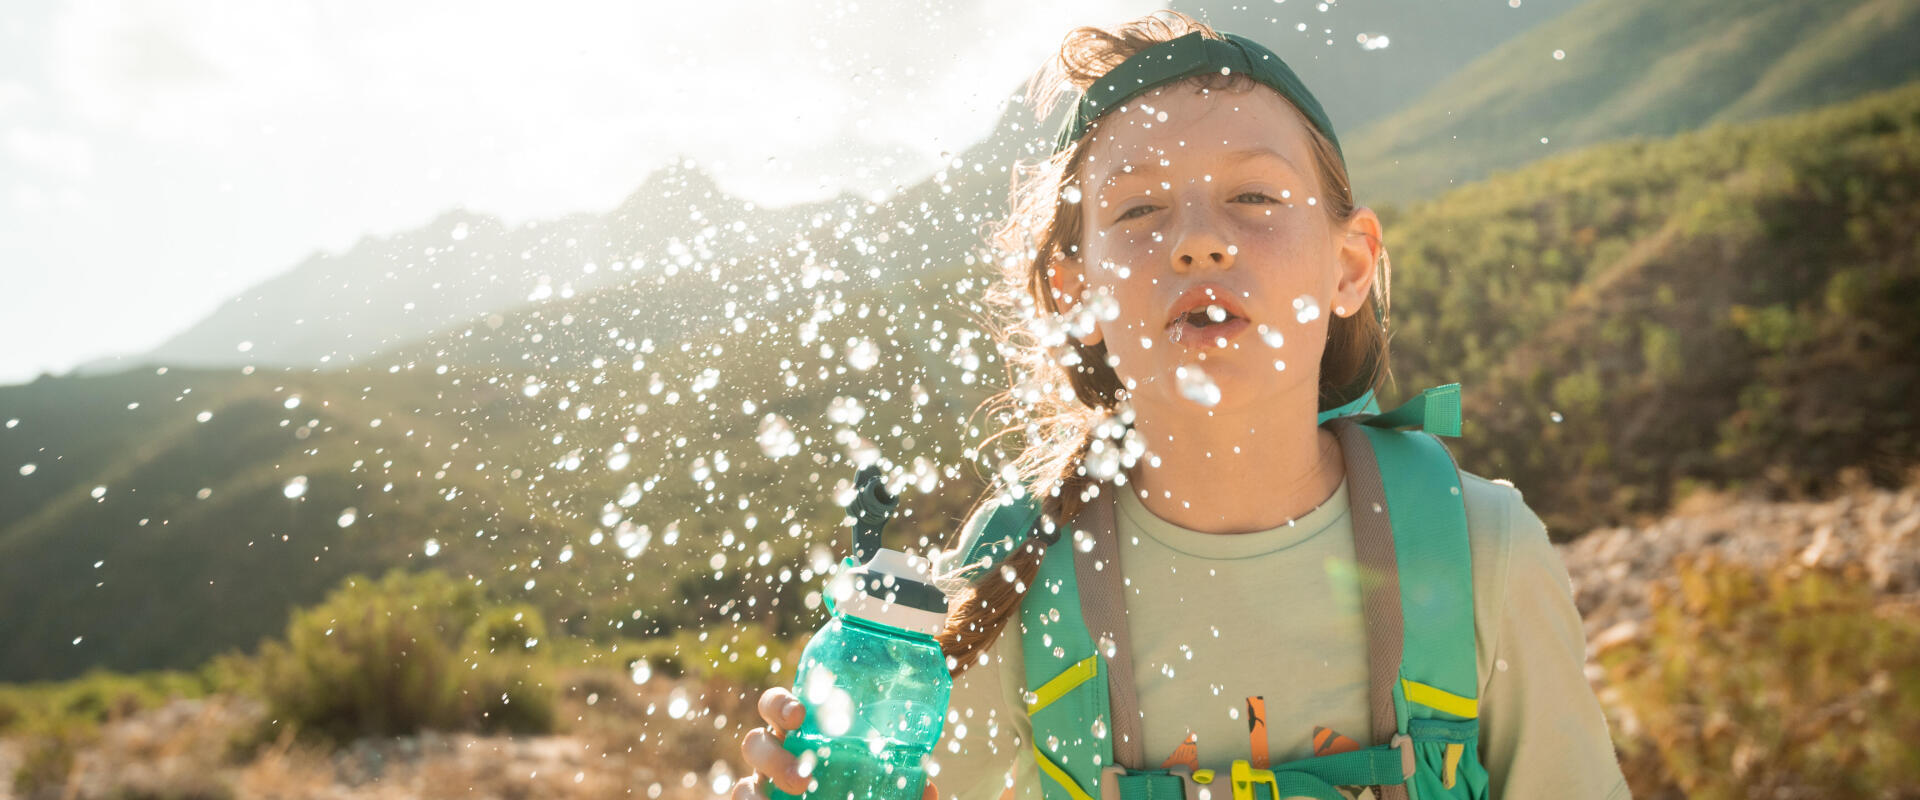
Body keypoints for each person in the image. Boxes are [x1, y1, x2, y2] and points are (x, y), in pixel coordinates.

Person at [735, 10, 1628, 800]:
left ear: (1349, 266)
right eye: (1139, 209)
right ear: (1072, 290)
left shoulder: (1480, 548)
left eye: (1253, 196)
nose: (1199, 239)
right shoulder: (1021, 571)